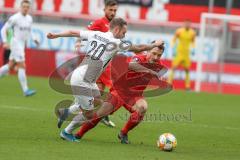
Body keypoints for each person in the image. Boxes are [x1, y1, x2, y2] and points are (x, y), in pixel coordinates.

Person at [47, 17, 164, 142]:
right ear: (117, 29)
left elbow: (73, 32)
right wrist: (154, 45)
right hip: (82, 81)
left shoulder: (96, 34)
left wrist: (56, 35)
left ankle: (66, 112)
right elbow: (138, 48)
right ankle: (67, 132)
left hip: (85, 77)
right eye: (124, 33)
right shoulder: (115, 43)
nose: (124, 35)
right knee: (90, 114)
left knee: (98, 102)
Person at [74, 44, 169, 144]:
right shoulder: (139, 58)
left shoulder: (159, 65)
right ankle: (79, 134)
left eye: (159, 55)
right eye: (154, 53)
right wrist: (149, 71)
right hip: (120, 91)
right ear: (148, 51)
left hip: (135, 95)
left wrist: (160, 75)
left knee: (143, 108)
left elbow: (161, 73)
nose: (155, 57)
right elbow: (132, 65)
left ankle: (123, 133)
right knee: (100, 115)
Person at [75, 0, 118, 128]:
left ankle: (98, 114)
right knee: (97, 96)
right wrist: (79, 41)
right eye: (110, 10)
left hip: (106, 66)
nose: (113, 12)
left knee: (98, 95)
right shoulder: (100, 22)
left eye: (115, 10)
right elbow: (85, 31)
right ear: (104, 9)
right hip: (97, 65)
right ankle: (78, 114)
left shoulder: (114, 25)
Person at [0, 0, 39, 96]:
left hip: (22, 44)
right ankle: (26, 90)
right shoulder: (15, 18)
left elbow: (30, 30)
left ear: (29, 8)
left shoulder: (29, 18)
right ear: (20, 7)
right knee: (22, 65)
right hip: (16, 43)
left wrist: (34, 39)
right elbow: (4, 29)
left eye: (27, 7)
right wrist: (5, 42)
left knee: (10, 66)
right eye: (24, 6)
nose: (25, 8)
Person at [168, 20, 196, 90]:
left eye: (189, 24)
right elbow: (174, 40)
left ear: (190, 25)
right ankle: (168, 85)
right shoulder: (179, 31)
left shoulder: (192, 33)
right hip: (179, 52)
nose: (187, 25)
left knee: (187, 70)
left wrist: (193, 49)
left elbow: (193, 42)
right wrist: (173, 48)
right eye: (186, 24)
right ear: (184, 24)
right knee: (174, 68)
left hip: (186, 54)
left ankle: (187, 86)